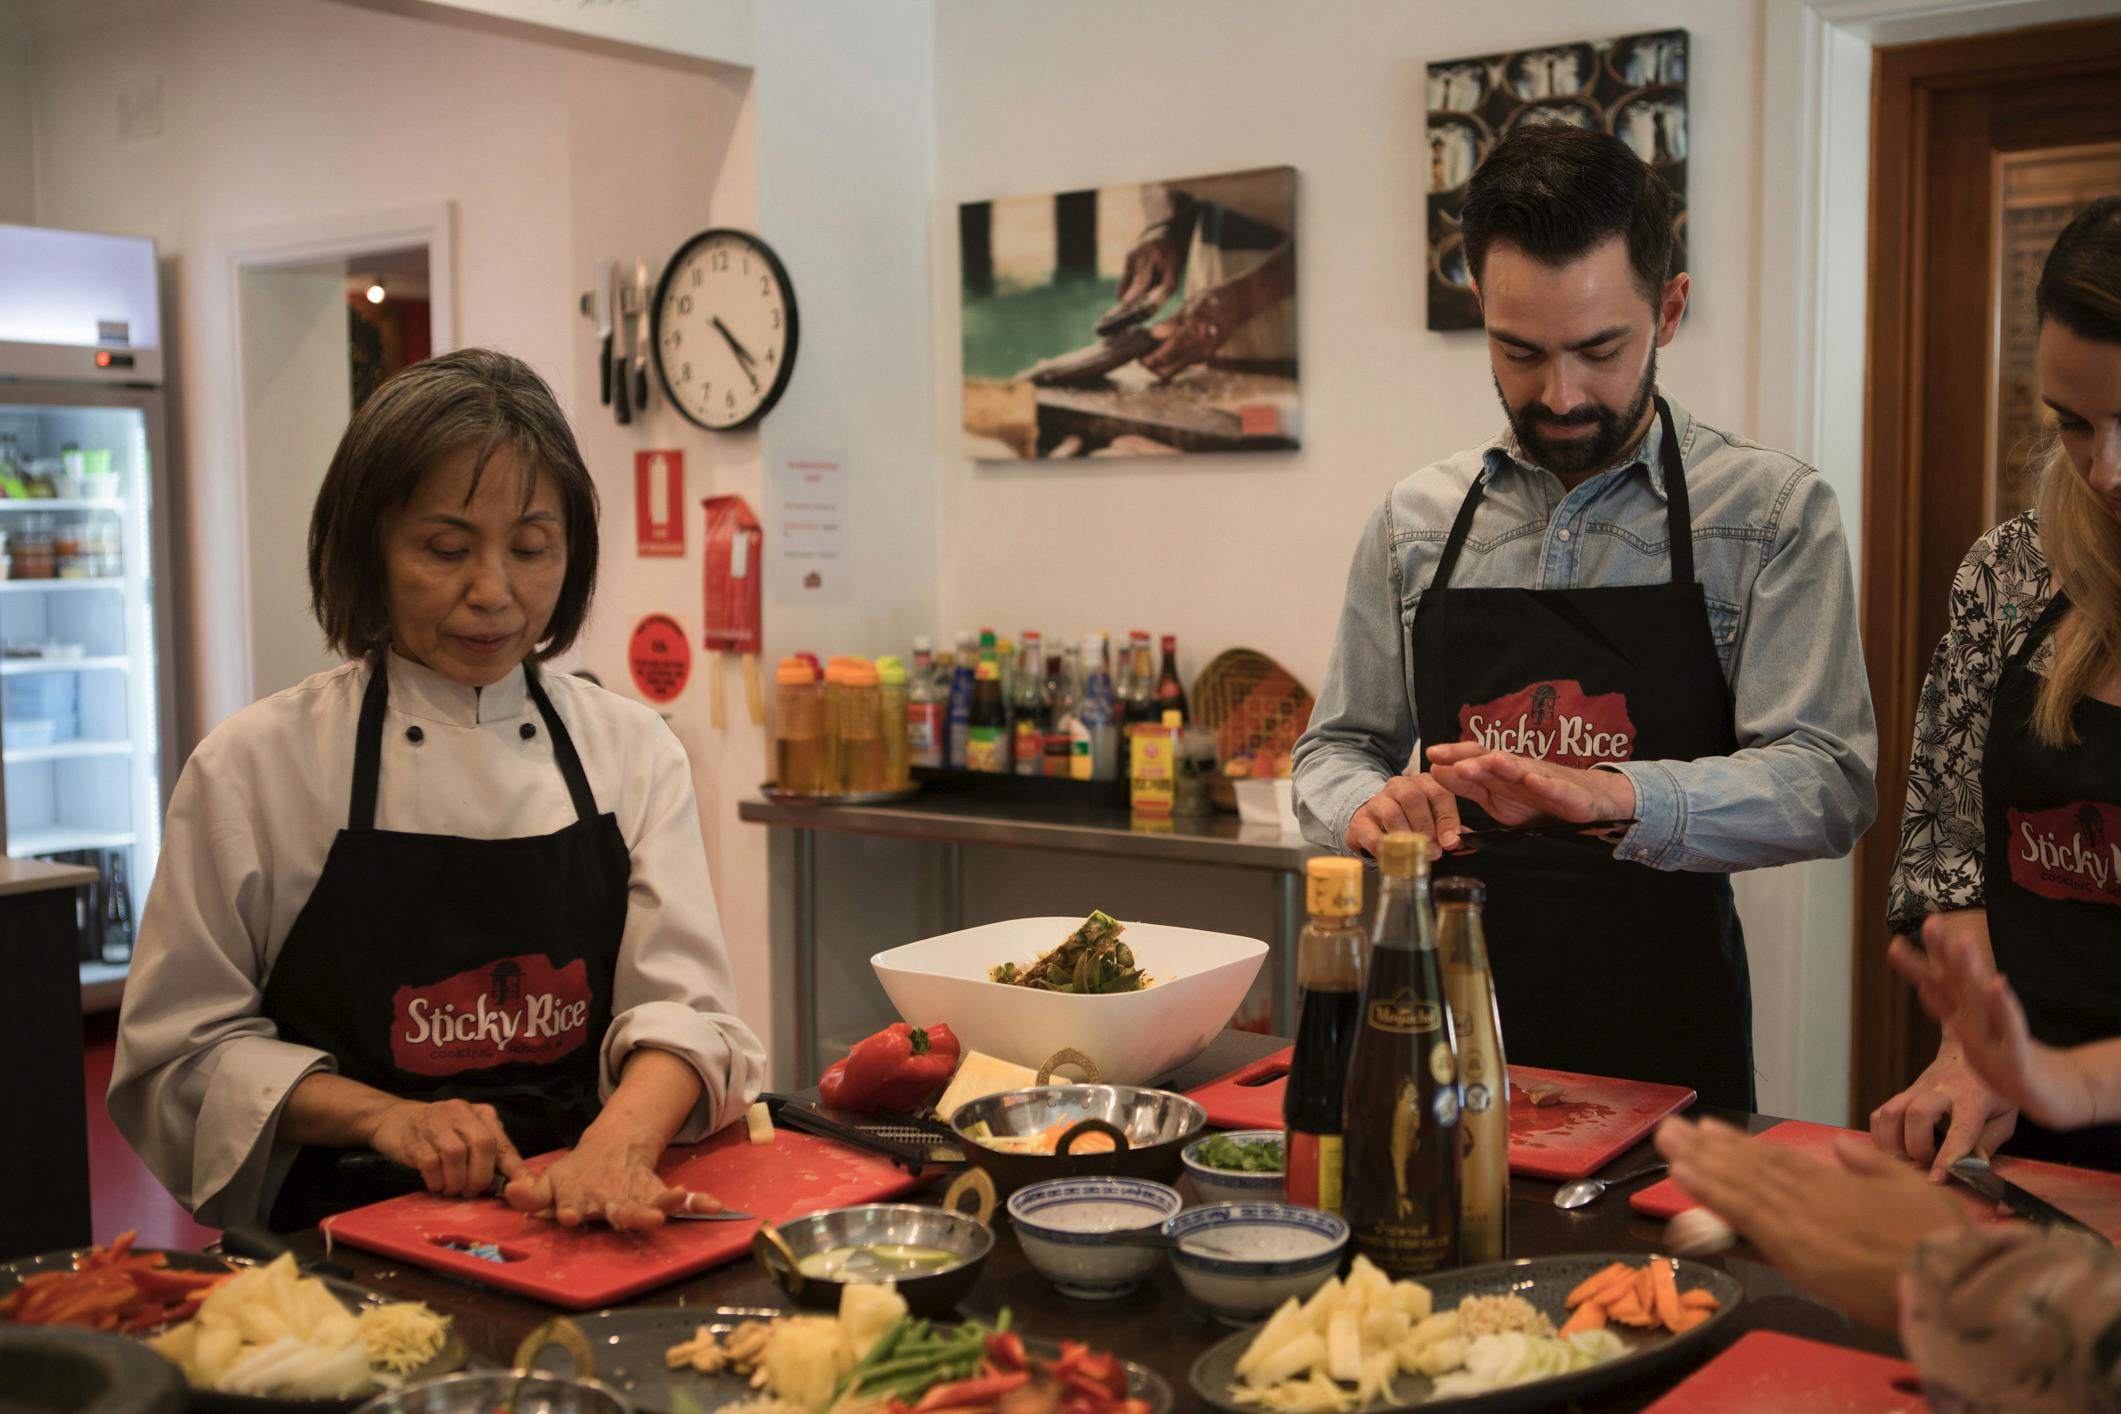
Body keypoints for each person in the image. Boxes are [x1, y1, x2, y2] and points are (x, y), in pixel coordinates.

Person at [110, 349, 766, 1231]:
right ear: (367, 550)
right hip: (342, 1237)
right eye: (446, 548)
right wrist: (387, 1117)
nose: (494, 593)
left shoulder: (631, 750)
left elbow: (686, 1013)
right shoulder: (257, 767)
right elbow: (180, 1057)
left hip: (584, 1215)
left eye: (532, 548)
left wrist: (618, 1146)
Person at [1291, 125, 1877, 1111]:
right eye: (1521, 353)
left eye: (1600, 350)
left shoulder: (1770, 513)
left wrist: (1617, 798)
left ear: (1670, 309)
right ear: (1480, 309)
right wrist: (1361, 805)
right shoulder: (1414, 523)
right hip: (1435, 1030)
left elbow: (1829, 779)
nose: (1561, 396)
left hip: (1666, 1046)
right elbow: (1334, 749)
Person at [1876, 197, 2121, 1175]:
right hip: (2017, 1137)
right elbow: (1949, 851)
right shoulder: (2013, 574)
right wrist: (1968, 1053)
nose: (2107, 471)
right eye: (2075, 426)